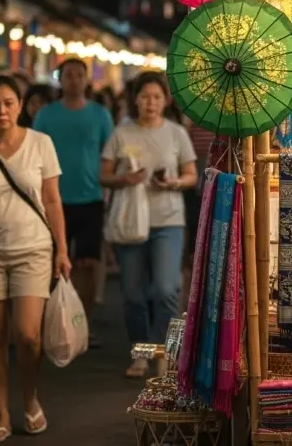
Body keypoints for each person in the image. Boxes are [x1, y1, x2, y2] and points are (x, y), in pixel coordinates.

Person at [0, 75, 71, 443]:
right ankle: (1, 414)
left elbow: (52, 199)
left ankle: (30, 398)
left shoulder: (40, 143)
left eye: (8, 103)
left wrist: (62, 249)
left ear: (20, 106)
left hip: (33, 248)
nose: (1, 110)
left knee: (27, 335)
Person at [100, 72, 197, 378]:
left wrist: (174, 182)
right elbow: (103, 175)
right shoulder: (122, 132)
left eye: (156, 97)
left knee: (166, 289)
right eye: (145, 97)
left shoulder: (176, 132)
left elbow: (192, 175)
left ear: (165, 100)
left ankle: (163, 352)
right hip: (131, 222)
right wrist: (124, 179)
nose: (151, 103)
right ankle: (141, 351)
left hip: (168, 221)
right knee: (133, 294)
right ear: (136, 100)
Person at [33, 59, 112, 347]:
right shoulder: (46, 115)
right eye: (68, 75)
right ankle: (51, 322)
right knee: (50, 263)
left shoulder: (100, 114)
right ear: (60, 79)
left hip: (90, 198)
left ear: (87, 80)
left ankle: (82, 323)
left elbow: (109, 154)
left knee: (88, 263)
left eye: (79, 75)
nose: (74, 80)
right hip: (53, 198)